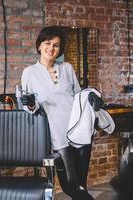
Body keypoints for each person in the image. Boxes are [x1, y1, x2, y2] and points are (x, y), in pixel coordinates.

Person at [20, 26, 103, 200]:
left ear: (60, 49)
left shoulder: (67, 68)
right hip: (57, 136)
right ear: (39, 46)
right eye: (47, 43)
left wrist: (92, 97)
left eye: (56, 45)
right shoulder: (29, 73)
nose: (51, 48)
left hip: (80, 131)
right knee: (69, 186)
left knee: (81, 185)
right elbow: (28, 108)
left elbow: (79, 96)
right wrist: (31, 104)